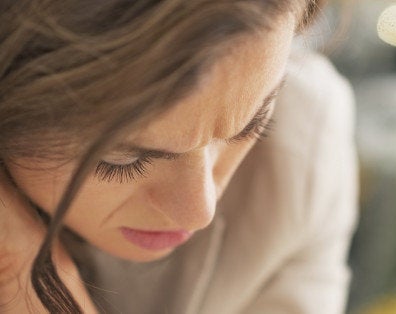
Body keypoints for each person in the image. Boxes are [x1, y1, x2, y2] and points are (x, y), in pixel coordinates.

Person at [0, 0, 358, 313]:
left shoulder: (306, 138)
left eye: (252, 125)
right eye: (122, 158)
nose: (200, 210)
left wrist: (22, 278)